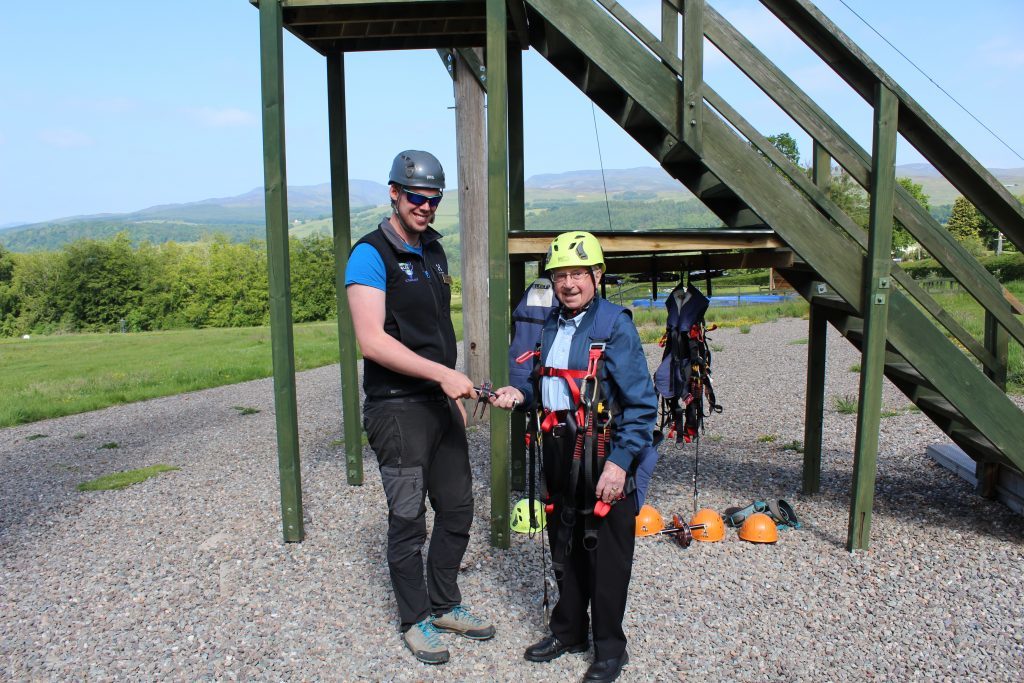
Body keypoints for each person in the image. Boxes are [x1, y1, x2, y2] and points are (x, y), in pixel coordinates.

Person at [345, 150, 494, 665]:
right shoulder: (369, 254)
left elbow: (434, 333)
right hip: (395, 408)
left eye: (434, 199)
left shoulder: (434, 250)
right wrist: (446, 376)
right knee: (408, 519)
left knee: (457, 507)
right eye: (416, 197)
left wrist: (448, 391)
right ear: (393, 192)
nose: (426, 207)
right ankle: (415, 619)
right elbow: (372, 342)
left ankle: (446, 600)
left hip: (437, 403)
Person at [489, 231, 657, 683]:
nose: (568, 283)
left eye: (578, 273)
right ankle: (569, 631)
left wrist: (621, 464)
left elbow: (642, 404)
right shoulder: (550, 325)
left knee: (606, 551)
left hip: (603, 450)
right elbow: (541, 384)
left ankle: (609, 649)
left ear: (597, 276)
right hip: (559, 448)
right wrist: (517, 394)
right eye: (560, 275)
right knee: (563, 541)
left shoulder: (613, 324)